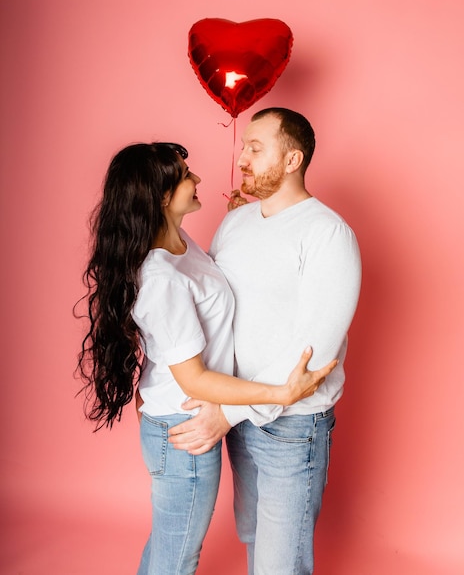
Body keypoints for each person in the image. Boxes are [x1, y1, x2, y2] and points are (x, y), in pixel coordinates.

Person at [75, 141, 338, 575]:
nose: (197, 179)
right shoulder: (160, 275)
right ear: (161, 197)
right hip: (186, 429)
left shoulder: (178, 241)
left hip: (180, 421)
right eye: (185, 175)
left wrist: (244, 222)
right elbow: (194, 379)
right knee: (177, 558)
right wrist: (281, 391)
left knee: (170, 547)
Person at [168, 108, 362, 575]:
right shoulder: (236, 223)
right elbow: (213, 314)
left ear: (293, 159)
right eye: (243, 147)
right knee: (254, 539)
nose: (243, 158)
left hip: (292, 427)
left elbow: (314, 350)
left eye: (256, 148)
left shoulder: (328, 233)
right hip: (236, 419)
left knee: (281, 563)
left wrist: (225, 412)